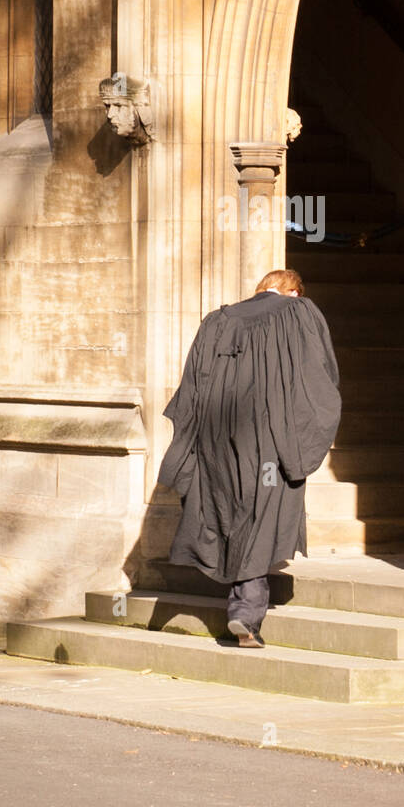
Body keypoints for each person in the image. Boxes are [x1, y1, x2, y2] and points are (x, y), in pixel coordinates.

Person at [156, 268, 341, 648]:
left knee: (233, 512)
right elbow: (319, 377)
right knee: (262, 517)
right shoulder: (299, 312)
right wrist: (303, 435)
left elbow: (191, 387)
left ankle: (243, 605)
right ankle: (245, 612)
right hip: (269, 445)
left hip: (215, 442)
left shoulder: (217, 321)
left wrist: (193, 444)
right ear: (292, 292)